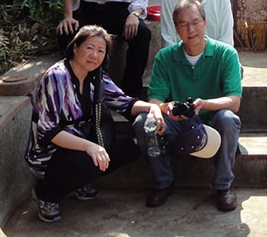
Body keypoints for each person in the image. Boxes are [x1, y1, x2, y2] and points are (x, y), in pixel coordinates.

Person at [25, 25, 165, 223]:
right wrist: (90, 147)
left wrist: (153, 108)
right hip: (51, 151)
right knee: (90, 160)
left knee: (133, 145)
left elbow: (125, 102)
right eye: (90, 48)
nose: (95, 55)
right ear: (76, 48)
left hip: (84, 144)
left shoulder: (97, 76)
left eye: (101, 51)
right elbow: (48, 130)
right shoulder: (57, 77)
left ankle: (79, 180)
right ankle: (46, 194)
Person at [134, 0, 242, 211]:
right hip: (176, 121)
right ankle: (163, 182)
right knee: (142, 121)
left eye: (195, 22)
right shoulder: (165, 57)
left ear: (205, 22)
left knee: (229, 118)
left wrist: (205, 104)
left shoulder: (226, 53)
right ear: (176, 29)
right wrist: (165, 108)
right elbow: (154, 98)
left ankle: (223, 186)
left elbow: (234, 101)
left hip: (212, 120)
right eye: (183, 24)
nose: (190, 29)